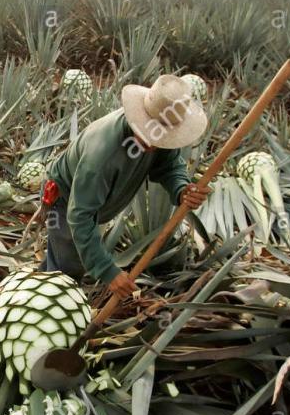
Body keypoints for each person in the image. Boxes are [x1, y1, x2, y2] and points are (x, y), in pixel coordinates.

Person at [40, 74, 211, 298]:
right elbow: (80, 216)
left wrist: (181, 190)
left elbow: (169, 166)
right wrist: (107, 271)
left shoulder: (159, 132)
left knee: (69, 255)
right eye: (148, 133)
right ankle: (51, 301)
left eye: (160, 137)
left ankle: (43, 285)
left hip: (92, 201)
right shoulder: (101, 154)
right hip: (63, 197)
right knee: (67, 264)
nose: (153, 143)